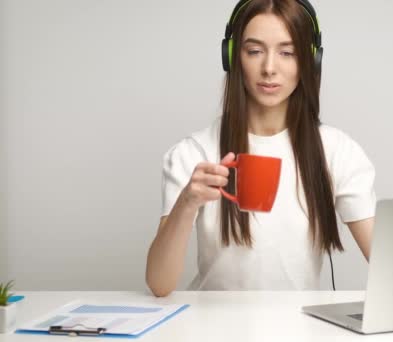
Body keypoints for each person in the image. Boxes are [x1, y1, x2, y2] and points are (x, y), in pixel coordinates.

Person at [146, 0, 376, 296]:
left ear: (310, 61)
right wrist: (186, 202)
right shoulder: (194, 152)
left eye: (287, 52)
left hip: (299, 330)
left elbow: (386, 264)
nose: (269, 68)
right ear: (231, 57)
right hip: (210, 327)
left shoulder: (336, 151)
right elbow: (159, 284)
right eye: (254, 51)